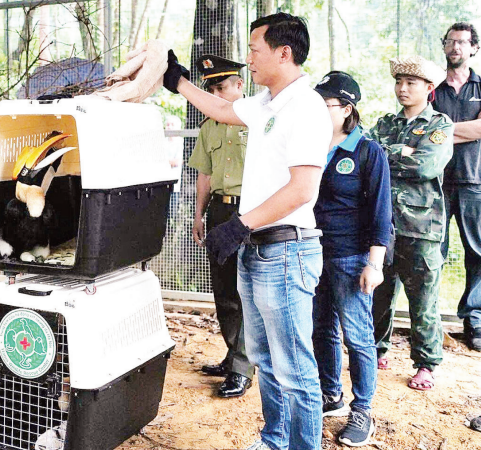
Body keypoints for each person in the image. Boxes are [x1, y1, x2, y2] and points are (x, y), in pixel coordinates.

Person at [164, 12, 332, 450]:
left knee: (294, 366)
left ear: (283, 52)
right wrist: (178, 82)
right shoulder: (266, 104)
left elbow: (302, 188)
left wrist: (240, 223)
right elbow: (220, 108)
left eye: (255, 50)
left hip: (286, 251)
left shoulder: (307, 107)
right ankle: (274, 440)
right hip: (257, 250)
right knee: (264, 360)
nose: (249, 60)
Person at [312, 71, 392, 447]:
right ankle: (331, 396)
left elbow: (380, 214)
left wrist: (373, 264)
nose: (316, 109)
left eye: (324, 104)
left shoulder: (367, 151)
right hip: (311, 253)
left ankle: (363, 410)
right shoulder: (309, 145)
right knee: (322, 329)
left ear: (346, 109)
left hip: (351, 257)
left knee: (358, 336)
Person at [369, 55, 453, 391]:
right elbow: (368, 154)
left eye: (411, 83)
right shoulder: (386, 122)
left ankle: (426, 364)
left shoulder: (440, 125)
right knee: (378, 293)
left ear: (429, 89)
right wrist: (401, 151)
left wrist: (392, 154)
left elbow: (426, 167)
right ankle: (376, 349)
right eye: (399, 82)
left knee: (423, 301)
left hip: (422, 227)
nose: (402, 89)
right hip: (382, 225)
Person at [187, 54, 256, 399]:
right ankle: (234, 356)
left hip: (251, 213)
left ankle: (244, 366)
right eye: (212, 87)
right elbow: (204, 174)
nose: (216, 92)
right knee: (225, 291)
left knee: (248, 291)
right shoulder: (209, 127)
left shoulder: (259, 119)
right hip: (219, 211)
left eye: (223, 86)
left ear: (240, 85)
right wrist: (199, 215)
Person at [433, 22, 481, 352]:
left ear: (473, 48)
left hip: (478, 182)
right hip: (437, 184)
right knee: (433, 255)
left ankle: (475, 324)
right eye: (451, 41)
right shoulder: (432, 89)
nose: (456, 47)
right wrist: (468, 128)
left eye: (462, 42)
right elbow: (423, 134)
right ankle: (430, 325)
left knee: (478, 255)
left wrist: (444, 129)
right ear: (444, 46)